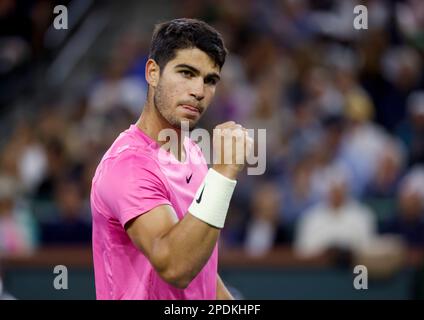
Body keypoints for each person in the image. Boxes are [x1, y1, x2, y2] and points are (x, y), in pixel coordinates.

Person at [90, 18, 253, 300]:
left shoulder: (193, 151)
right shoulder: (127, 165)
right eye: (186, 73)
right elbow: (176, 266)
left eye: (210, 80)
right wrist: (225, 169)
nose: (199, 91)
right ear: (153, 73)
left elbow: (198, 264)